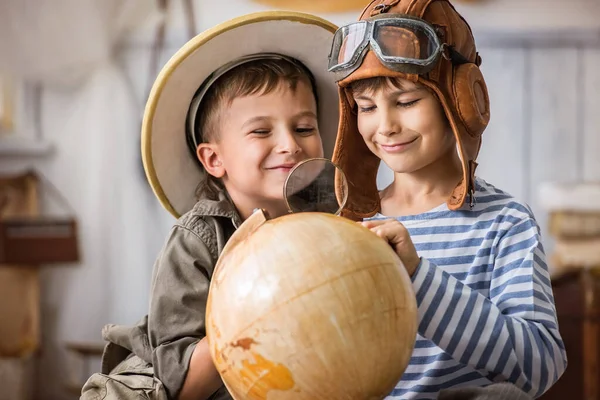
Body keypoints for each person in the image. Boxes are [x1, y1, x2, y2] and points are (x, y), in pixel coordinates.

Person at [80, 11, 339, 400]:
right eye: (261, 131)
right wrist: (262, 310)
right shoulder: (197, 239)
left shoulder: (331, 216)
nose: (290, 144)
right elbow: (183, 386)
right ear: (214, 160)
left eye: (304, 128)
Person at [327, 0, 567, 399]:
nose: (384, 125)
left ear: (460, 102)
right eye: (366, 108)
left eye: (406, 102)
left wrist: (417, 277)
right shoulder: (346, 225)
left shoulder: (505, 223)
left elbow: (540, 365)